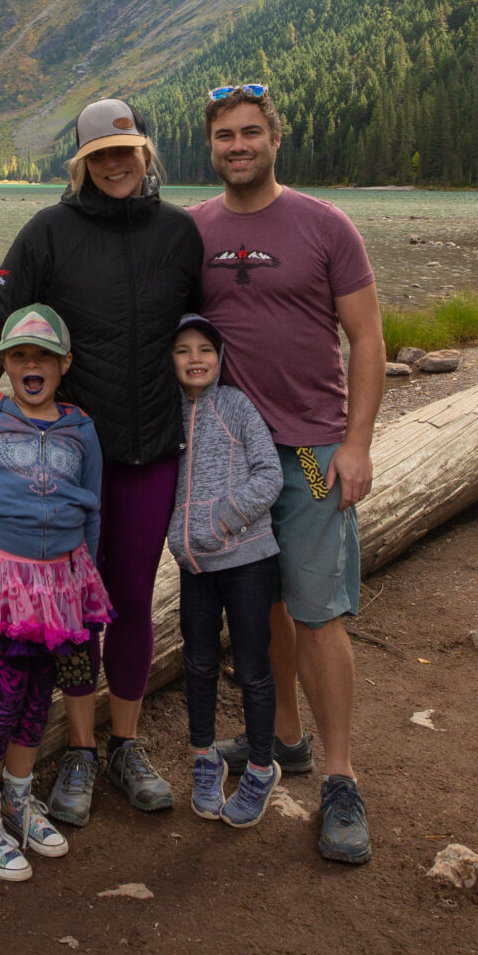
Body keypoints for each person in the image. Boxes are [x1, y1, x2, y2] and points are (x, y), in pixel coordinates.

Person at [0, 96, 202, 826]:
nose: (116, 164)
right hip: (68, 454)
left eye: (127, 151)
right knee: (75, 605)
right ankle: (82, 748)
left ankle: (126, 743)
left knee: (130, 598)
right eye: (100, 155)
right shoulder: (47, 233)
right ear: (82, 164)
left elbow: (211, 336)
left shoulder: (180, 233)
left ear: (145, 153)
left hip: (151, 450)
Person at [192, 84, 386, 865]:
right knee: (257, 601)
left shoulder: (325, 225)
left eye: (250, 132)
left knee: (316, 608)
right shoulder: (195, 230)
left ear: (275, 137)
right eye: (225, 135)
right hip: (230, 456)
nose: (238, 145)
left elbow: (367, 338)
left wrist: (356, 444)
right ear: (211, 146)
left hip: (307, 450)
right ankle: (284, 738)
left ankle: (340, 777)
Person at [0, 303, 110, 881]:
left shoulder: (82, 429)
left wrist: (84, 579)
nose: (32, 365)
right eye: (19, 356)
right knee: (4, 697)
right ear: (4, 364)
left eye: (44, 357)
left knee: (38, 698)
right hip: (1, 585)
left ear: (65, 364)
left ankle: (17, 797)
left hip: (58, 586)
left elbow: (91, 508)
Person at [165, 312, 285, 828]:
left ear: (220, 358)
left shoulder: (235, 405)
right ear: (169, 360)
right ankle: (204, 760)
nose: (195, 359)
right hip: (194, 565)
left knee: (253, 667)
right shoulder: (167, 413)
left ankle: (260, 767)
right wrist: (180, 536)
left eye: (205, 350)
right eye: (183, 350)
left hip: (247, 560)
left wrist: (223, 520)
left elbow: (271, 475)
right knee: (198, 664)